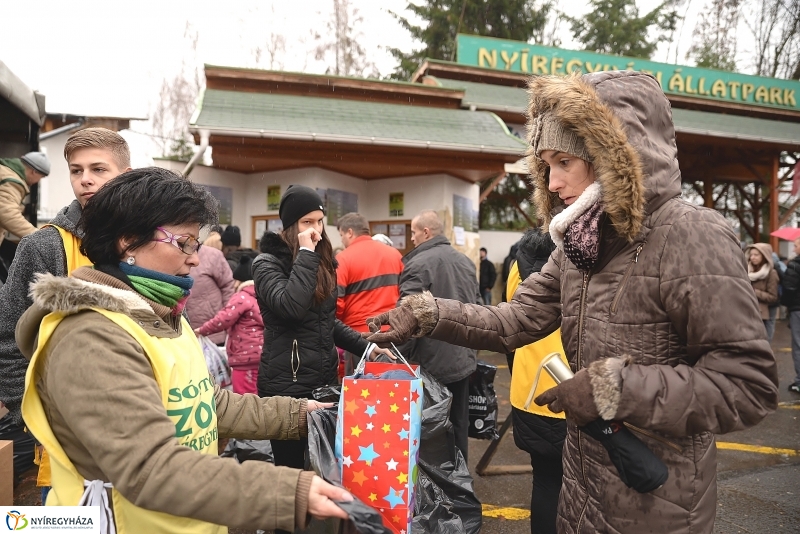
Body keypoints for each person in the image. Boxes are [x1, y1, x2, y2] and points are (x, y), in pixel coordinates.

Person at [366, 71, 778, 534]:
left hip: (656, 502)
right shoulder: (579, 243)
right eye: (545, 164)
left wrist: (613, 389)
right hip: (580, 490)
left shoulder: (691, 234)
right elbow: (514, 320)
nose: (553, 180)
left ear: (613, 157)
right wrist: (426, 312)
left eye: (565, 161)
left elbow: (747, 384)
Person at [17, 168, 351, 532]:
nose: (195, 257)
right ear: (128, 241)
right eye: (184, 242)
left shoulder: (163, 316)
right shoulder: (91, 334)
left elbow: (207, 404)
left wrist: (303, 414)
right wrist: (289, 493)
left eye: (197, 243)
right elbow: (150, 468)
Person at [252, 185, 388, 534]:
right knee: (290, 476)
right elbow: (292, 308)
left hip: (323, 381)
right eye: (306, 222)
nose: (315, 229)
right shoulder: (267, 264)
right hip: (286, 385)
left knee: (323, 471)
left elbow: (328, 323)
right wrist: (308, 254)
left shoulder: (325, 260)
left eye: (320, 221)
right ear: (289, 226)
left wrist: (368, 347)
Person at [0, 128, 131, 487]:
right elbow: (8, 334)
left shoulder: (151, 240)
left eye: (98, 169)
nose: (85, 179)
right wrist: (31, 412)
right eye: (76, 171)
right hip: (66, 447)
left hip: (141, 435)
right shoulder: (43, 246)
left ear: (126, 174)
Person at [394, 209, 481, 463]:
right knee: (458, 426)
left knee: (430, 431)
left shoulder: (417, 265)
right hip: (462, 360)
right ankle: (461, 486)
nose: (411, 239)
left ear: (426, 232)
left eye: (413, 232)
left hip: (429, 363)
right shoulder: (465, 262)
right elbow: (477, 308)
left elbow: (407, 319)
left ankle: (436, 490)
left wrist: (403, 359)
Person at [506, 229, 567, 534]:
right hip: (576, 384)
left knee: (545, 480)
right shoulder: (585, 257)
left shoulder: (519, 262)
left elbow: (510, 325)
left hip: (531, 389)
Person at [335, 212, 403, 375]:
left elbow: (336, 303)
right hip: (393, 334)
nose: (342, 241)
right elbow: (405, 294)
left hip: (359, 340)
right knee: (392, 388)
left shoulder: (343, 259)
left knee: (361, 392)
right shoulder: (395, 255)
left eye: (342, 235)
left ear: (350, 232)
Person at [195, 256, 262, 395]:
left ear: (238, 280)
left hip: (244, 357)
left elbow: (223, 319)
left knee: (244, 397)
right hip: (261, 355)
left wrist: (202, 330)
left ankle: (247, 417)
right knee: (257, 394)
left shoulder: (241, 297)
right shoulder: (261, 297)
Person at [0, 152, 50, 268]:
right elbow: (8, 215)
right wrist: (40, 236)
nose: (38, 181)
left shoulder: (4, 170)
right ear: (34, 172)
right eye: (40, 177)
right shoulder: (11, 181)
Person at [186, 242, 235, 345]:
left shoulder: (213, 255)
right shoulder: (172, 255)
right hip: (185, 335)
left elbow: (228, 287)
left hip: (213, 333)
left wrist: (228, 321)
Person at [745, 243, 779, 341]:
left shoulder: (771, 273)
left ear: (764, 256)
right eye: (751, 255)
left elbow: (773, 297)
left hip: (764, 314)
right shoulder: (746, 270)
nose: (752, 257)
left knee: (764, 340)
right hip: (749, 311)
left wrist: (754, 291)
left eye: (756, 255)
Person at [781, 237, 800, 394]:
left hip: (797, 309)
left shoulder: (794, 266)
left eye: (795, 246)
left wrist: (785, 303)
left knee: (798, 346)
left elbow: (788, 288)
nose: (793, 249)